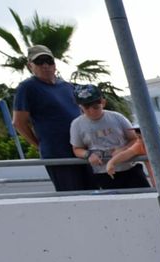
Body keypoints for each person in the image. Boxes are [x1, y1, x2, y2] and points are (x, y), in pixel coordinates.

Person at [12, 44, 93, 193]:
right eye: (40, 62)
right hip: (58, 154)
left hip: (83, 150)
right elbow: (18, 122)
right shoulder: (27, 87)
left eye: (49, 61)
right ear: (30, 65)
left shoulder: (67, 86)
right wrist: (39, 145)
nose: (45, 66)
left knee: (95, 192)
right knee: (73, 196)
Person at [68, 85, 149, 190]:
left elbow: (134, 139)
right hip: (103, 172)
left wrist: (123, 149)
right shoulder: (77, 124)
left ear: (103, 103)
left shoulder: (117, 117)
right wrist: (89, 155)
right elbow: (77, 149)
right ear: (80, 107)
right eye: (86, 108)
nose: (92, 111)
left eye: (95, 107)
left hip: (129, 168)